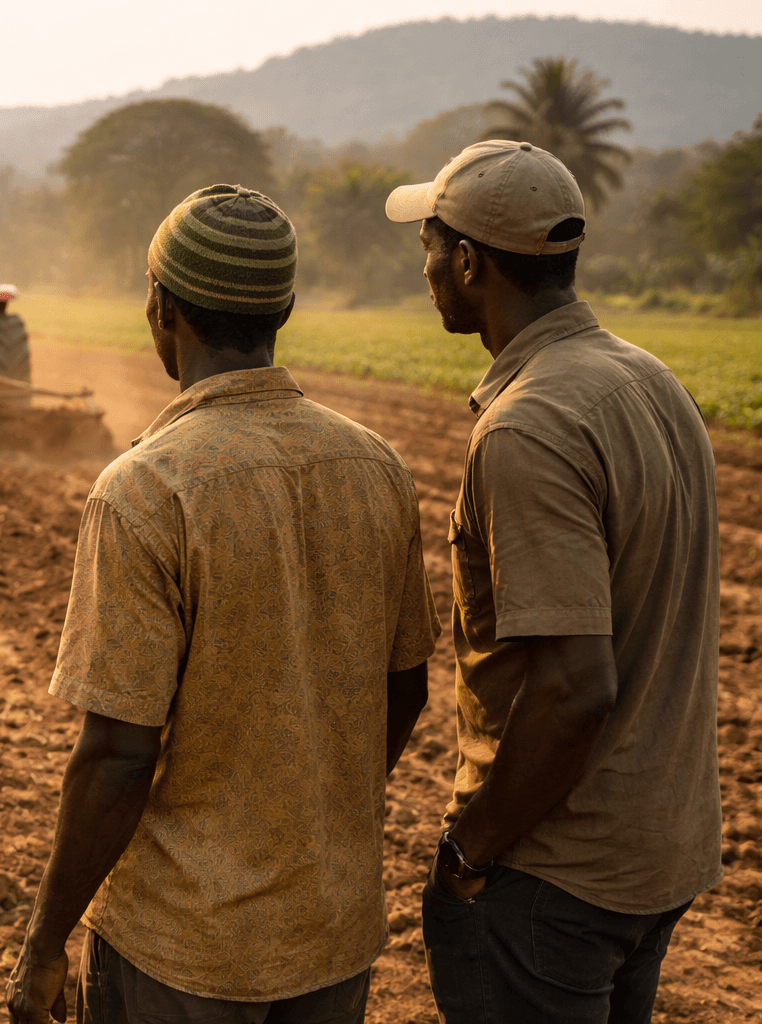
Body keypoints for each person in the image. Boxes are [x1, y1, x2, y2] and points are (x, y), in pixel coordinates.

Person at [5, 184, 440, 1024]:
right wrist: (306, 816)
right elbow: (408, 687)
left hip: (184, 948)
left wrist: (44, 940)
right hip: (331, 931)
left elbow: (118, 758)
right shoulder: (377, 467)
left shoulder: (147, 488)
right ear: (281, 309)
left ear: (160, 308)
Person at [385, 141, 723, 1023]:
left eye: (429, 245)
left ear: (466, 261)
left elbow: (575, 688)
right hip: (658, 852)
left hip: (554, 876)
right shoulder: (652, 380)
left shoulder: (528, 428)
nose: (423, 267)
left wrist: (469, 852)